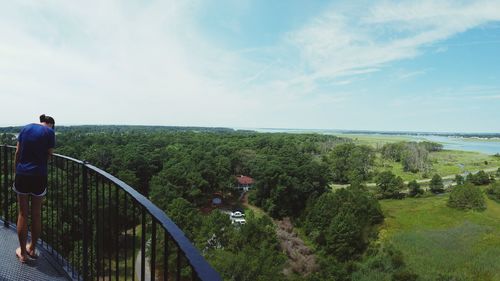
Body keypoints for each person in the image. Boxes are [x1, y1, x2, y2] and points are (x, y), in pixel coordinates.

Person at [13, 114, 56, 262]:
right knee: (36, 213)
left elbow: (17, 152)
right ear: (50, 124)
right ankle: (32, 248)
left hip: (22, 174)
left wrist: (16, 170)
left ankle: (23, 254)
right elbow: (49, 154)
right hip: (39, 175)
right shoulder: (50, 132)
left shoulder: (25, 128)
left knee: (23, 213)